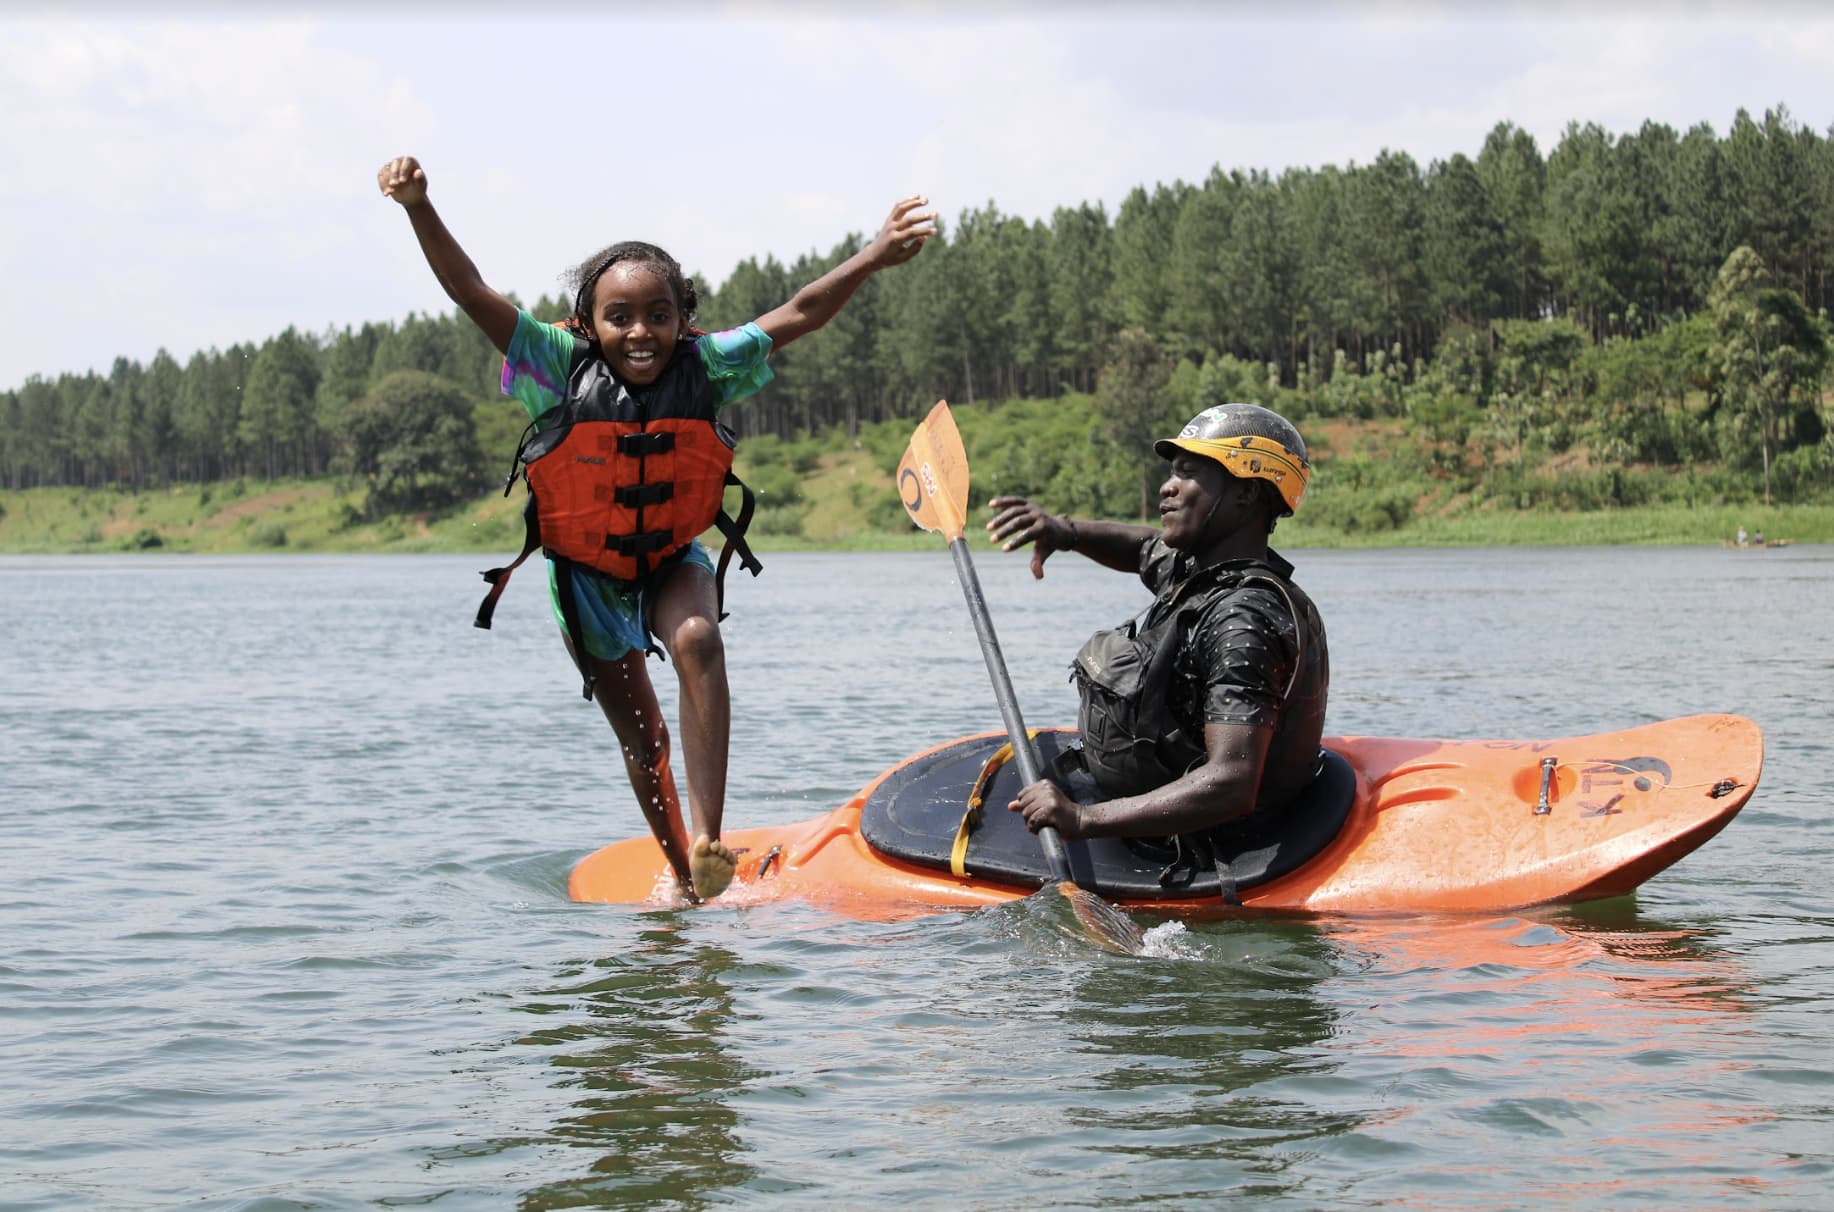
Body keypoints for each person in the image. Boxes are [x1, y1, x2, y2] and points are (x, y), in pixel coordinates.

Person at [378, 154, 935, 902]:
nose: (641, 332)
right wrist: (419, 206)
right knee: (644, 744)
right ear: (588, 322)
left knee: (699, 639)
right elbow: (467, 289)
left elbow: (799, 311)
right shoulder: (552, 361)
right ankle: (683, 872)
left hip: (672, 557)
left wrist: (873, 255)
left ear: (682, 318)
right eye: (620, 316)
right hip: (585, 580)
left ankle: (708, 837)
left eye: (659, 315)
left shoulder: (707, 364)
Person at [985, 402, 1329, 847]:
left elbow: (1232, 782)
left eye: (1188, 474)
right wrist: (1064, 531)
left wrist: (1083, 819)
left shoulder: (1242, 620)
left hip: (1206, 844)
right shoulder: (1200, 570)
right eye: (1171, 472)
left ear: (1247, 494)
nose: (1167, 487)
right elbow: (1144, 547)